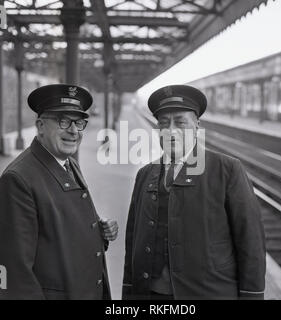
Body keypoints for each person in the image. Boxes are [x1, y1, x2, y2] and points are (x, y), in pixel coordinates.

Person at [122, 85, 266, 300]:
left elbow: (250, 240)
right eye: (163, 123)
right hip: (152, 294)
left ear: (197, 126)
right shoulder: (145, 174)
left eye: (180, 122)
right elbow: (133, 239)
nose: (171, 130)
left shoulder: (227, 169)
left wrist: (251, 295)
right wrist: (130, 292)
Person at [0, 84, 118, 300]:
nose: (73, 130)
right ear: (40, 126)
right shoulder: (18, 179)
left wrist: (100, 232)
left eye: (79, 122)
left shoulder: (68, 163)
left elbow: (58, 228)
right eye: (63, 121)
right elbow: (16, 273)